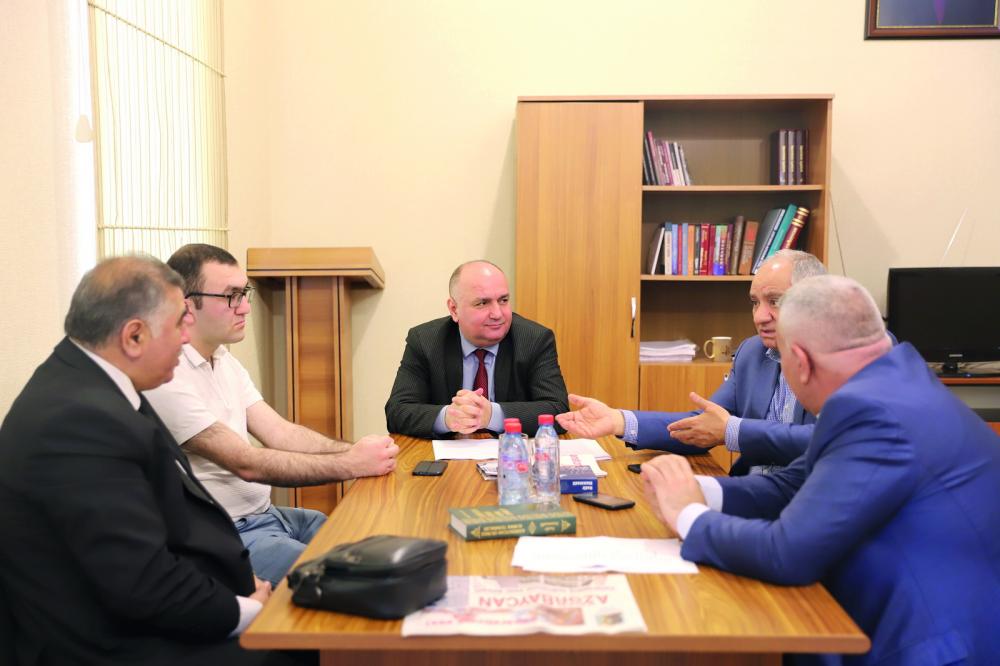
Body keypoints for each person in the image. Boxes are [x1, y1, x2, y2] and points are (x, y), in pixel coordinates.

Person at [641, 275, 1000, 665]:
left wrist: (688, 516)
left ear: (801, 362)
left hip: (931, 647)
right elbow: (795, 483)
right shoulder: (895, 380)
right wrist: (699, 489)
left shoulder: (872, 412)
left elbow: (788, 553)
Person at [0, 256, 308, 665]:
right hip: (107, 644)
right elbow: (140, 583)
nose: (186, 338)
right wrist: (250, 611)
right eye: (179, 324)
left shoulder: (93, 385)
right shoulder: (78, 421)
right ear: (134, 336)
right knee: (307, 643)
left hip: (145, 610)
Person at [144, 244, 398, 585]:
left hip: (270, 516)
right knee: (349, 582)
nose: (246, 307)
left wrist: (359, 452)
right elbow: (246, 463)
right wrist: (351, 465)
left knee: (368, 546)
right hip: (228, 534)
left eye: (244, 293)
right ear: (186, 305)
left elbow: (281, 433)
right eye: (232, 296)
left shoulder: (224, 359)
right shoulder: (167, 376)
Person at [557, 249, 826, 475]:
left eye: (775, 301)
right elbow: (705, 425)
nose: (759, 317)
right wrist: (618, 420)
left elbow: (821, 440)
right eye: (755, 303)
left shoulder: (835, 361)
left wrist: (733, 431)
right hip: (752, 492)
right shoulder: (751, 353)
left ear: (813, 301)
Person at [385, 260, 569, 438]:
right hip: (446, 454)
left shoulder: (534, 339)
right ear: (454, 309)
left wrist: (492, 415)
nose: (497, 314)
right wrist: (448, 417)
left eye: (503, 300)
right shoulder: (425, 341)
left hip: (510, 453)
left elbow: (558, 411)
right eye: (482, 303)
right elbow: (397, 410)